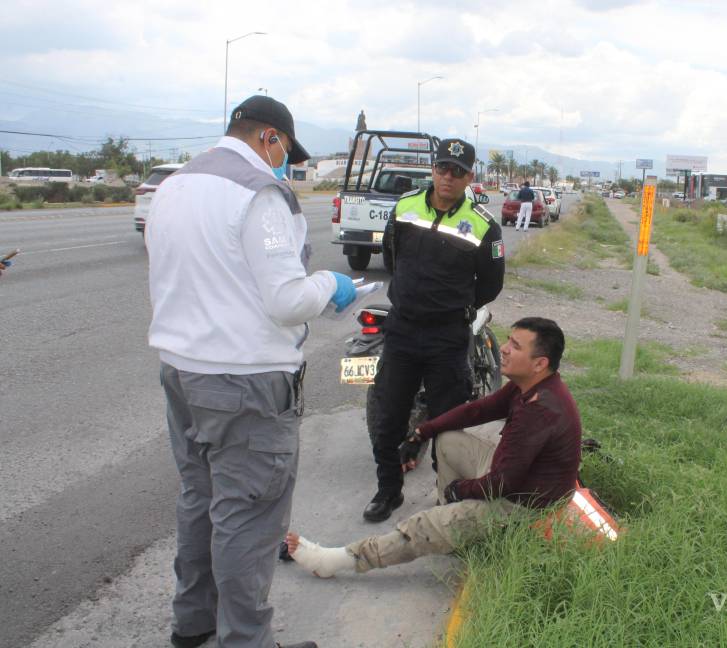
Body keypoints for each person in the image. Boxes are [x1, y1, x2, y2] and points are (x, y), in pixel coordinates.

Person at [146, 94, 343, 648]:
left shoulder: (175, 185)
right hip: (246, 382)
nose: (285, 162)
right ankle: (245, 641)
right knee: (249, 519)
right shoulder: (258, 192)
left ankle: (194, 622)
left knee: (201, 501)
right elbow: (285, 301)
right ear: (268, 138)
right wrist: (332, 285)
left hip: (182, 372)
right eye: (284, 150)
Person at [284, 317, 581, 577]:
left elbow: (502, 483)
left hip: (524, 507)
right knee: (448, 440)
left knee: (421, 526)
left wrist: (460, 490)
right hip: (513, 480)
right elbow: (477, 410)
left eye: (516, 346)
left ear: (539, 363)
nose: (503, 348)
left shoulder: (539, 409)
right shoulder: (530, 385)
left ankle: (337, 560)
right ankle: (455, 526)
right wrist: (421, 432)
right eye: (507, 341)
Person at [365, 138, 505, 523]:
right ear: (433, 169)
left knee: (450, 423)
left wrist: (453, 307)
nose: (448, 177)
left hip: (446, 338)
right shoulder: (405, 206)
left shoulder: (483, 225)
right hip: (403, 332)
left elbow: (490, 285)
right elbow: (391, 255)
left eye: (457, 171)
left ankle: (447, 497)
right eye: (442, 168)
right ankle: (388, 491)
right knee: (388, 418)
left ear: (469, 177)